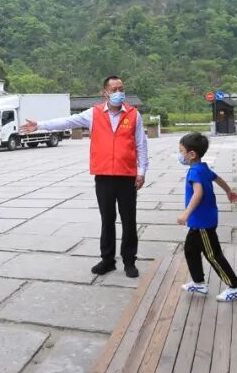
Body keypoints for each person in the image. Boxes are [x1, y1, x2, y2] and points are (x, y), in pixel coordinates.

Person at [20, 76, 149, 277]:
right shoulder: (93, 114)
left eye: (121, 88)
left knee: (129, 220)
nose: (118, 93)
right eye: (114, 89)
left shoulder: (134, 115)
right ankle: (107, 260)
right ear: (105, 93)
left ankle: (129, 261)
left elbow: (141, 145)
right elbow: (67, 121)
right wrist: (40, 125)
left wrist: (141, 172)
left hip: (127, 176)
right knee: (107, 219)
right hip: (104, 176)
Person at [176, 133, 237, 302]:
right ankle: (199, 282)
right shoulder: (203, 168)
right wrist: (228, 191)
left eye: (181, 151)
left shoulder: (195, 172)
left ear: (192, 154)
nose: (180, 155)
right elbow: (218, 179)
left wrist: (186, 214)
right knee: (190, 250)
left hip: (202, 224)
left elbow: (198, 193)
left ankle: (235, 287)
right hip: (201, 221)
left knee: (213, 255)